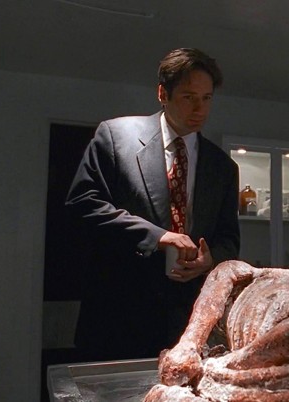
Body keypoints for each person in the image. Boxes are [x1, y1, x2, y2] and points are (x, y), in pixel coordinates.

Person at [65, 48, 240, 361]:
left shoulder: (222, 166)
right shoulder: (116, 137)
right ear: (163, 94)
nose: (200, 108)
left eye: (207, 98)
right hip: (118, 315)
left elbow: (229, 238)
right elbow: (83, 204)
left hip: (190, 322)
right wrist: (157, 237)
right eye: (189, 97)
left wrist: (209, 259)